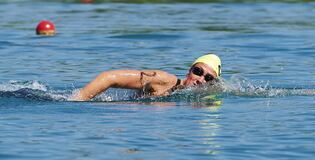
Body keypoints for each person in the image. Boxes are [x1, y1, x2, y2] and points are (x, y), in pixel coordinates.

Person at [71, 54, 222, 101]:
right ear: (189, 71)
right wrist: (78, 101)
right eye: (198, 71)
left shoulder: (202, 99)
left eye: (208, 78)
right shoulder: (164, 81)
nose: (200, 79)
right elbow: (109, 77)